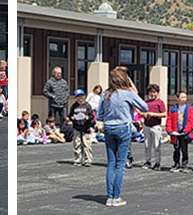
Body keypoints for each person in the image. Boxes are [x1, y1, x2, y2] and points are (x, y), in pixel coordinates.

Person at [98, 68, 148, 206]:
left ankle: (109, 197)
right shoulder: (127, 94)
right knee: (120, 164)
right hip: (123, 127)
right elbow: (144, 107)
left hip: (108, 127)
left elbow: (99, 114)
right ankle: (116, 197)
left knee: (111, 163)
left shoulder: (105, 94)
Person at [140, 84, 167, 171]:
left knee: (156, 145)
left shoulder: (160, 102)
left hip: (155, 126)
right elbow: (140, 112)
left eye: (154, 92)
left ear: (157, 93)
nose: (152, 94)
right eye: (151, 92)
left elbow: (164, 114)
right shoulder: (146, 102)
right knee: (147, 145)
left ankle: (157, 162)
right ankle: (148, 161)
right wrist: (143, 115)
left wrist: (154, 114)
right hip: (146, 125)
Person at [166, 91, 193, 173]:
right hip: (176, 132)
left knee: (184, 149)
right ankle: (176, 164)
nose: (184, 99)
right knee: (176, 149)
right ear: (178, 98)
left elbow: (191, 121)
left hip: (184, 133)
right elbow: (169, 120)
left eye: (185, 97)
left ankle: (184, 164)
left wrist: (186, 130)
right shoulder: (173, 109)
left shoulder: (188, 108)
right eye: (182, 97)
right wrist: (169, 130)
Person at [70, 89, 95, 166]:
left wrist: (88, 117)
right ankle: (78, 159)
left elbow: (92, 115)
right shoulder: (74, 106)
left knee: (86, 144)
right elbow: (70, 115)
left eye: (81, 96)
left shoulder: (87, 105)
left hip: (85, 127)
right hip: (77, 127)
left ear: (84, 96)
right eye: (78, 96)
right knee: (77, 144)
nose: (80, 98)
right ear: (75, 97)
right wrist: (72, 118)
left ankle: (88, 160)